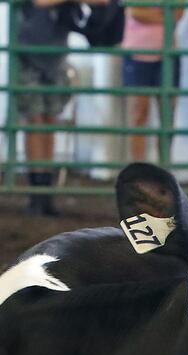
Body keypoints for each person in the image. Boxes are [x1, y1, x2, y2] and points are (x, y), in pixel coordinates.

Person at [15, 0, 108, 216]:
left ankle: (43, 190)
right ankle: (37, 191)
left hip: (54, 59)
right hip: (30, 57)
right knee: (37, 122)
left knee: (47, 122)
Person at [120, 4, 184, 162]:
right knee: (138, 115)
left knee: (167, 117)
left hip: (167, 53)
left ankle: (163, 170)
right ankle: (138, 173)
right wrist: (164, 16)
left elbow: (178, 13)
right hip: (137, 53)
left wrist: (149, 13)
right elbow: (135, 11)